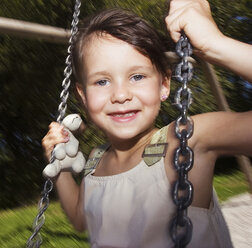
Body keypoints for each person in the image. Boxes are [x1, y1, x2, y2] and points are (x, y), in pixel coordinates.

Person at [42, 0, 252, 247]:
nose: (120, 95)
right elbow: (80, 220)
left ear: (164, 85)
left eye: (137, 76)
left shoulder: (185, 140)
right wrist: (61, 169)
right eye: (102, 82)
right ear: (83, 96)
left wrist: (215, 44)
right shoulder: (96, 160)